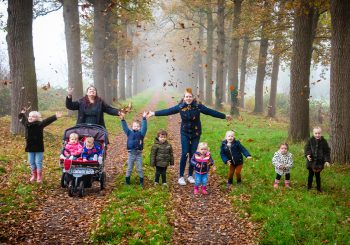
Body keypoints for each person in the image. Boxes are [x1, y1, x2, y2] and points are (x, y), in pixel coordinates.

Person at [148, 88, 232, 186]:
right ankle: (181, 177)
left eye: (190, 96)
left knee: (193, 154)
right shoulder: (180, 107)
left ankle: (190, 175)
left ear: (193, 97)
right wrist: (153, 113)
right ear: (184, 98)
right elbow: (168, 111)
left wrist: (224, 116)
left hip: (196, 133)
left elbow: (210, 112)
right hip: (185, 133)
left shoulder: (198, 106)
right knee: (185, 153)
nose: (188, 98)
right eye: (186, 96)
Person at [19, 109, 62, 183]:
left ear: (37, 118)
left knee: (38, 162)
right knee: (31, 161)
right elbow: (21, 118)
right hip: (30, 147)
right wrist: (22, 113)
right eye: (29, 116)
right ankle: (34, 175)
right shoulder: (27, 124)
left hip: (39, 147)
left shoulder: (40, 124)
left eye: (33, 116)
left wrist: (55, 116)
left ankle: (39, 176)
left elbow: (47, 121)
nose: (30, 117)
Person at [121, 112, 147, 187]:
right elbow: (125, 127)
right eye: (134, 126)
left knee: (139, 168)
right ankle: (127, 181)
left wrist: (144, 118)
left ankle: (141, 181)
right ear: (132, 127)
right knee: (129, 168)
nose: (136, 127)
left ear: (140, 127)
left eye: (138, 126)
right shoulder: (129, 133)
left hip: (138, 154)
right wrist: (123, 120)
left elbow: (144, 127)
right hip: (131, 154)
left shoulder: (141, 134)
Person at [304, 126, 331, 192]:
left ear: (321, 133)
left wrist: (327, 160)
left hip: (319, 163)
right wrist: (308, 155)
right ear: (313, 133)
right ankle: (309, 187)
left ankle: (319, 188)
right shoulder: (310, 140)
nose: (317, 135)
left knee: (318, 176)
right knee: (310, 175)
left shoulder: (324, 142)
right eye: (316, 133)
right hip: (311, 162)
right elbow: (307, 148)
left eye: (319, 133)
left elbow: (326, 152)